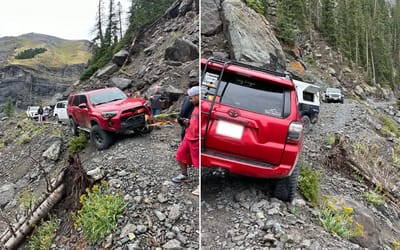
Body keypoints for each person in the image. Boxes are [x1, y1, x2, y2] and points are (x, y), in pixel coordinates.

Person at [172, 86, 200, 196]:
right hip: (188, 136)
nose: (190, 100)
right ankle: (184, 175)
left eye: (192, 98)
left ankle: (200, 186)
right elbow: (195, 120)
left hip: (196, 139)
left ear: (198, 96)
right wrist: (188, 122)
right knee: (179, 155)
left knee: (198, 163)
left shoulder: (203, 107)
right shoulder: (195, 107)